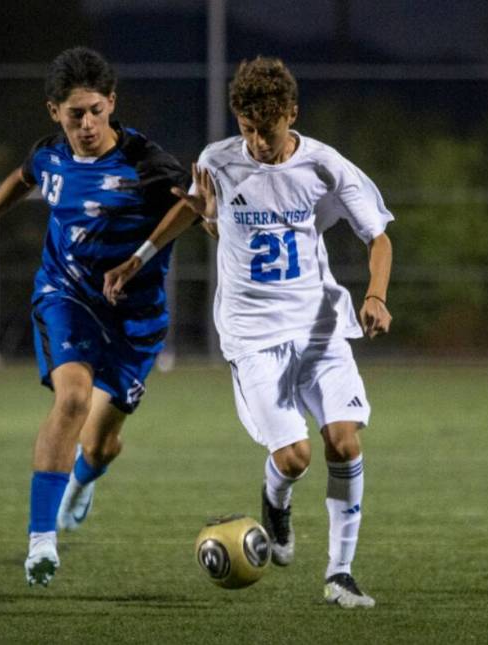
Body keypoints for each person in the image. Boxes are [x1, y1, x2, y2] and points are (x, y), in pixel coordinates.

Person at [104, 56, 392, 608]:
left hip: (319, 327)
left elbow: (377, 236)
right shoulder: (219, 161)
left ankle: (340, 573)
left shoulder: (325, 166)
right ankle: (275, 501)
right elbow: (195, 209)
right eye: (248, 128)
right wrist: (137, 259)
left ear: (293, 115)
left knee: (345, 439)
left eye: (269, 128)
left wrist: (375, 296)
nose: (258, 141)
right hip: (252, 335)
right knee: (295, 458)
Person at [0, 47, 188, 587]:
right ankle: (40, 542)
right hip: (66, 296)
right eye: (74, 113)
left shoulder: (145, 161)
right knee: (72, 397)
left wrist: (142, 257)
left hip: (135, 318)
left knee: (101, 443)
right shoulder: (50, 155)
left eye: (96, 111)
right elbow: (20, 178)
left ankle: (83, 478)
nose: (86, 124)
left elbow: (190, 206)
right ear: (54, 111)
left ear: (111, 104)